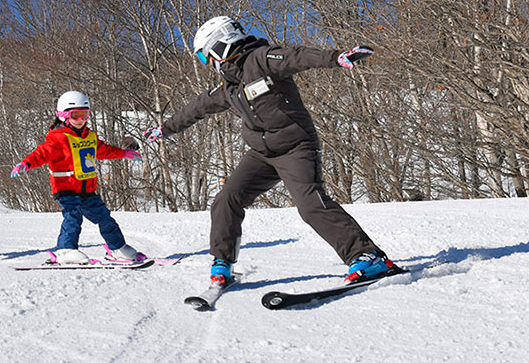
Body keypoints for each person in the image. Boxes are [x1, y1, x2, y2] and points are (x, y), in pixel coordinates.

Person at [144, 16, 397, 285]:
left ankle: (368, 256)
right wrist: (165, 129)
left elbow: (297, 57)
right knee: (226, 199)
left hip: (295, 147)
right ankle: (222, 262)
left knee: (311, 206)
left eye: (207, 57)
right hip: (261, 154)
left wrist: (335, 58)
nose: (209, 64)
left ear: (221, 46)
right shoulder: (229, 85)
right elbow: (198, 107)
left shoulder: (262, 59)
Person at [11, 91, 144, 264]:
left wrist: (124, 153)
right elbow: (42, 153)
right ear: (63, 116)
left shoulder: (90, 137)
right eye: (76, 115)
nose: (81, 119)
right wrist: (26, 163)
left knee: (105, 218)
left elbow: (105, 151)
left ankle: (117, 248)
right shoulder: (58, 139)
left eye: (85, 114)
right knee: (73, 217)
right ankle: (65, 250)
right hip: (66, 189)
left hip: (87, 190)